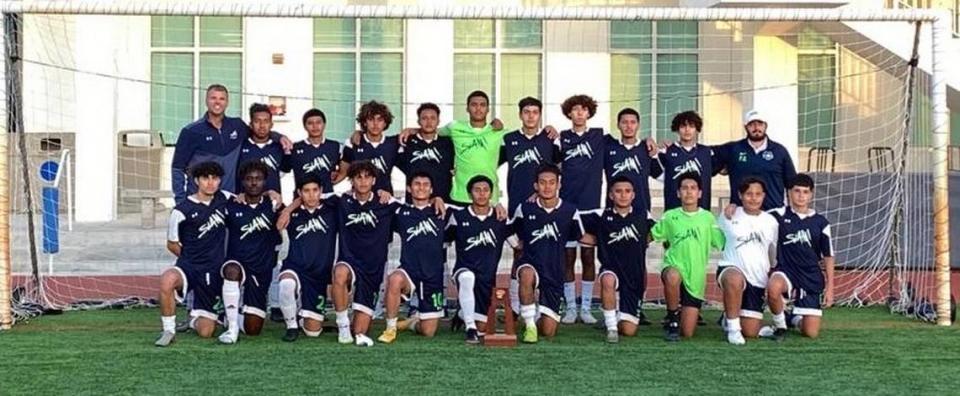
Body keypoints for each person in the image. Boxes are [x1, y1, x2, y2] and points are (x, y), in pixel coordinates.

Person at [171, 84, 292, 203]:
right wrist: (181, 201)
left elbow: (258, 131)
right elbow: (177, 168)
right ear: (206, 101)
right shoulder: (191, 131)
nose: (217, 102)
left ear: (227, 102)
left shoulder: (237, 126)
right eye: (213, 98)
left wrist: (279, 137)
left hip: (229, 199)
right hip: (200, 200)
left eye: (222, 98)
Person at [155, 162, 232, 347]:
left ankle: (192, 320)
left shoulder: (226, 199)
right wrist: (191, 256)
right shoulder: (181, 210)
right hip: (189, 266)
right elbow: (172, 244)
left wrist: (271, 194)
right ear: (197, 180)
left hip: (214, 270)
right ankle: (169, 330)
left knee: (207, 332)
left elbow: (247, 200)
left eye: (215, 178)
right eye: (206, 178)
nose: (210, 183)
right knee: (167, 280)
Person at [328, 161, 403, 347]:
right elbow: (310, 195)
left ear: (374, 180)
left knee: (360, 331)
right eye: (358, 177)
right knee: (339, 273)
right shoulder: (341, 201)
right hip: (349, 261)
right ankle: (342, 325)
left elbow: (416, 208)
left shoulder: (386, 203)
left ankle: (354, 325)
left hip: (372, 269)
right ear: (352, 180)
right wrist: (287, 210)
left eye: (367, 177)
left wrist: (436, 200)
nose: (363, 181)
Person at [499, 96, 560, 315]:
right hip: (518, 207)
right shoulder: (509, 140)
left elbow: (559, 170)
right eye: (527, 112)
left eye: (535, 112)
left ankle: (547, 303)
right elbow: (489, 165)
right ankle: (516, 305)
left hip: (545, 207)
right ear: (520, 115)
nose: (531, 116)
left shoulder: (549, 140)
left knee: (547, 253)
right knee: (519, 253)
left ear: (540, 115)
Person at [512, 164, 585, 343]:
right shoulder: (525, 209)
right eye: (542, 183)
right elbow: (509, 230)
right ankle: (529, 326)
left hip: (554, 271)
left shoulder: (570, 211)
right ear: (536, 186)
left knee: (549, 331)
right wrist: (516, 244)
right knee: (527, 274)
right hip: (531, 262)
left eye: (552, 182)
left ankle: (537, 315)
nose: (547, 187)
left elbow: (581, 236)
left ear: (559, 185)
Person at [579, 176, 655, 343]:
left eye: (627, 191)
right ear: (611, 195)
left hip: (634, 275)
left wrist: (643, 242)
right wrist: (598, 240)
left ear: (633, 195)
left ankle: (618, 316)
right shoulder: (600, 215)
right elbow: (571, 219)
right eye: (618, 191)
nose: (623, 195)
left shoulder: (643, 215)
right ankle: (611, 327)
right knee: (607, 279)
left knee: (628, 331)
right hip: (611, 268)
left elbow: (656, 233)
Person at [650, 173, 725, 342]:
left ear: (700, 193)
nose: (689, 192)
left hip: (696, 276)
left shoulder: (707, 218)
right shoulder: (670, 216)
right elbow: (651, 235)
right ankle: (672, 318)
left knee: (688, 332)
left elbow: (722, 242)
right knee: (672, 275)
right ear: (678, 193)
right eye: (684, 188)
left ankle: (683, 318)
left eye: (693, 188)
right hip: (674, 266)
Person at [378, 172, 450, 343]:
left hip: (433, 275)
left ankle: (411, 323)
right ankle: (390, 328)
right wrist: (382, 192)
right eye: (417, 184)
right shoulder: (400, 211)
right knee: (394, 279)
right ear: (409, 188)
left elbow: (476, 209)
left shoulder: (444, 210)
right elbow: (373, 199)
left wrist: (497, 206)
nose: (421, 187)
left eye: (426, 184)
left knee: (428, 332)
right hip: (409, 270)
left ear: (432, 189)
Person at [762, 173, 835, 340]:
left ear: (811, 194)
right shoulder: (776, 216)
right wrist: (734, 208)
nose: (801, 196)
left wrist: (830, 288)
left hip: (810, 276)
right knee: (773, 287)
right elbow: (753, 214)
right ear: (789, 192)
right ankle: (780, 326)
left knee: (810, 333)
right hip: (786, 270)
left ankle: (792, 318)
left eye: (805, 192)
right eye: (797, 191)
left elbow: (828, 256)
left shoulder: (821, 222)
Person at [220, 161, 282, 343]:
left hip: (261, 270)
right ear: (242, 181)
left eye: (258, 179)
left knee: (253, 329)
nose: (254, 183)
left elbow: (296, 209)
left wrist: (274, 195)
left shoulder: (273, 206)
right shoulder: (231, 205)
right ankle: (232, 328)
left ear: (265, 182)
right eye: (249, 179)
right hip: (237, 263)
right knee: (232, 269)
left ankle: (232, 314)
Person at [447, 175, 513, 344]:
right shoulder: (459, 217)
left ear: (491, 193)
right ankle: (470, 329)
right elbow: (443, 242)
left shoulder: (500, 219)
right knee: (468, 277)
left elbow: (517, 244)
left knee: (483, 327)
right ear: (470, 195)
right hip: (463, 270)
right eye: (477, 190)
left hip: (486, 280)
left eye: (485, 190)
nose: (482, 194)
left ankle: (462, 315)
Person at [557, 94, 605, 325]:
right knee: (567, 258)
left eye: (583, 110)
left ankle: (586, 307)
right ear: (569, 113)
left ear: (589, 113)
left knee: (588, 256)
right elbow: (552, 165)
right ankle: (570, 308)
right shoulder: (561, 138)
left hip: (591, 207)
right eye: (574, 109)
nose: (579, 113)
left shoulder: (599, 137)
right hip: (567, 207)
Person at [275, 174, 339, 342]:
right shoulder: (291, 213)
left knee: (313, 332)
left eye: (315, 190)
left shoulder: (333, 209)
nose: (311, 195)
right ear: (299, 193)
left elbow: (355, 193)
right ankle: (291, 326)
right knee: (286, 284)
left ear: (321, 191)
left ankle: (304, 315)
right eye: (306, 191)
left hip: (319, 275)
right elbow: (277, 219)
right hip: (295, 266)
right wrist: (287, 210)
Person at [716, 177, 778, 345]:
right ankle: (734, 330)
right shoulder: (729, 214)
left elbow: (772, 251)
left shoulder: (771, 221)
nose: (753, 198)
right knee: (734, 279)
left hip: (757, 277)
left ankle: (728, 317)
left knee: (750, 332)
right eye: (749, 193)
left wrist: (772, 270)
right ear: (740, 195)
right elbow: (716, 238)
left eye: (758, 194)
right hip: (731, 267)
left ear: (764, 196)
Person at [715, 109, 797, 211]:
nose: (756, 127)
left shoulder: (779, 151)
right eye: (752, 124)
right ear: (746, 127)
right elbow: (705, 157)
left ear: (765, 126)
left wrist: (792, 213)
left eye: (760, 123)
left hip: (773, 213)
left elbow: (792, 184)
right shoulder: (733, 149)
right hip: (740, 213)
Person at [657, 110, 721, 211]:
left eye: (691, 126)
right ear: (677, 129)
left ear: (697, 129)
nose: (687, 130)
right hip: (674, 210)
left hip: (701, 211)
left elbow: (723, 169)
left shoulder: (707, 152)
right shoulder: (666, 151)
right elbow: (657, 174)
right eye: (683, 126)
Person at [396, 103, 455, 202]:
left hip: (443, 202)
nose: (429, 122)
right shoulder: (407, 142)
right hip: (414, 203)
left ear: (438, 121)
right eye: (424, 118)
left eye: (433, 118)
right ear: (418, 121)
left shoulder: (448, 143)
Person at [282, 108, 343, 194]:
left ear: (324, 124)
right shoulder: (294, 148)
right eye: (310, 123)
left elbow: (346, 168)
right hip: (302, 199)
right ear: (305, 126)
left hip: (328, 198)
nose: (315, 126)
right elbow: (283, 171)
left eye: (318, 122)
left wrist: (337, 175)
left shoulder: (335, 146)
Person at [237, 103, 285, 195]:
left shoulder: (279, 147)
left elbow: (284, 171)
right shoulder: (240, 146)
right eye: (257, 121)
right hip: (244, 204)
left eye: (266, 121)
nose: (262, 125)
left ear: (271, 124)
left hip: (272, 204)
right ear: (250, 124)